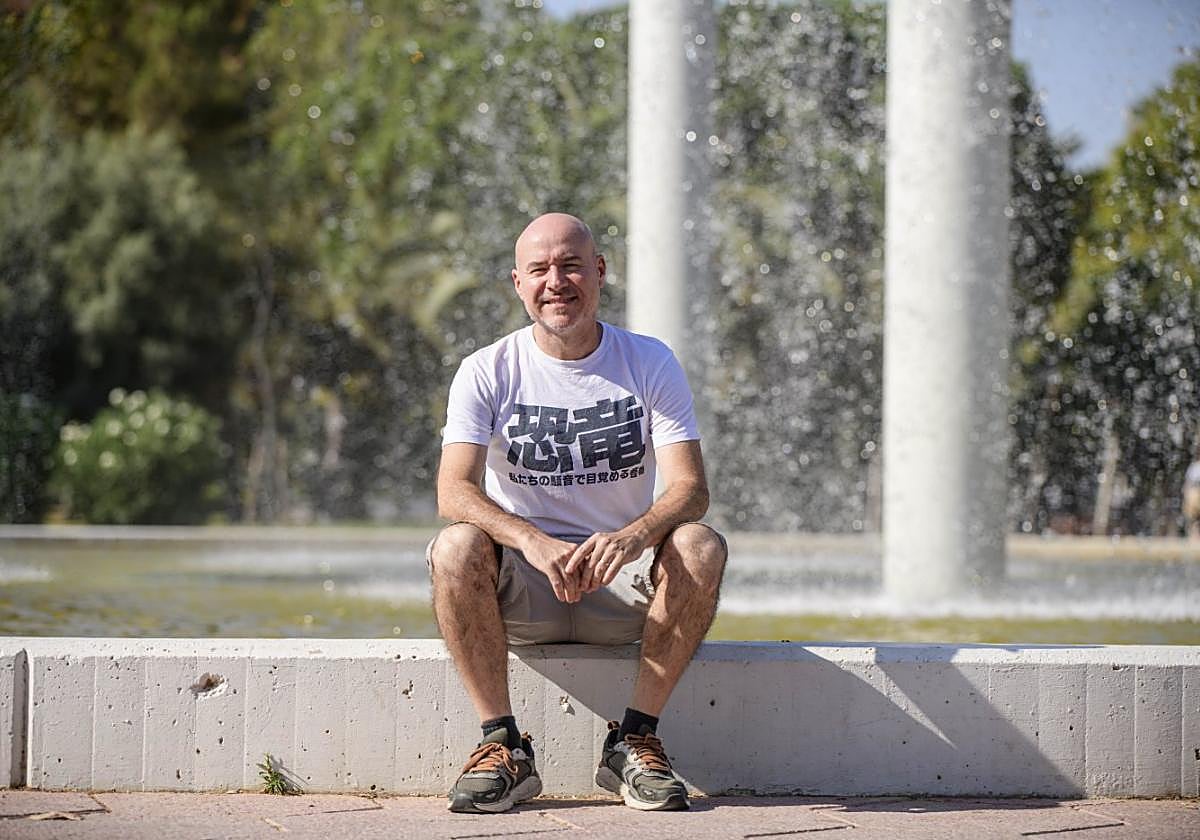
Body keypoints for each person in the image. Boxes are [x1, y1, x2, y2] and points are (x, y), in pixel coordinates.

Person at [428, 212, 727, 814]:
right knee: (455, 546)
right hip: (524, 588)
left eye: (570, 265)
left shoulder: (648, 361)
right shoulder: (487, 369)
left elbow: (691, 489)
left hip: (622, 583)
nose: (556, 281)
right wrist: (531, 540)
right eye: (539, 269)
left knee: (699, 544)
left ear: (598, 273)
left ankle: (635, 741)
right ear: (518, 283)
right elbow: (453, 492)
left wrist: (634, 536)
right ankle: (502, 745)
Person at [1184, 449, 1200, 539]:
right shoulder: (1194, 467)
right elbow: (1188, 484)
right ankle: (1194, 536)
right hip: (1195, 494)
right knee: (1194, 518)